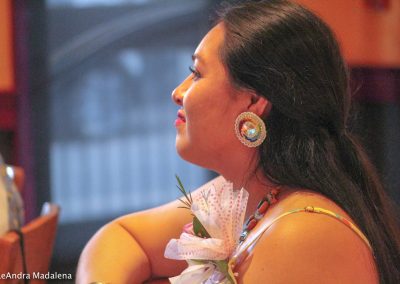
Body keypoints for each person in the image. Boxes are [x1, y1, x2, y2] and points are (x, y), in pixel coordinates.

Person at [76, 1, 400, 283]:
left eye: (197, 73)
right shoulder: (247, 196)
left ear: (254, 101)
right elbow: (120, 237)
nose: (178, 91)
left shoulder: (301, 234)